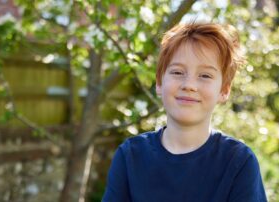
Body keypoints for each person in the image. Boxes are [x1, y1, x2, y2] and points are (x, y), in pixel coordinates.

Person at [102, 22, 267, 202]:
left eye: (205, 75)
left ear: (224, 90)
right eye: (178, 72)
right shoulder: (130, 156)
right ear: (159, 83)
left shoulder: (239, 162)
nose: (189, 85)